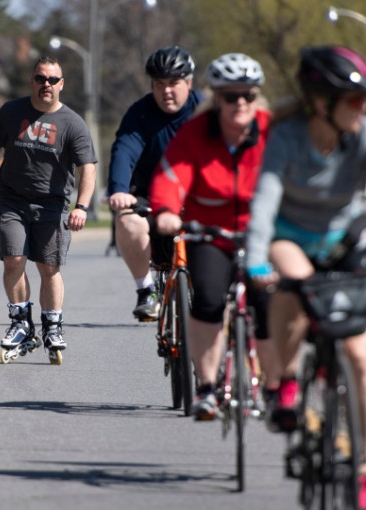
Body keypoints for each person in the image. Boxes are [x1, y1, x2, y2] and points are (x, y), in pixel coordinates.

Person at [245, 46, 366, 509]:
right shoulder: (285, 137)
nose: (363, 108)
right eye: (354, 98)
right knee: (295, 282)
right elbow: (263, 203)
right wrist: (255, 259)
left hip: (347, 246)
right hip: (289, 240)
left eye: (364, 98)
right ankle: (284, 380)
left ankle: (362, 470)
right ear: (321, 101)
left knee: (362, 359)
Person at [149, 53, 277, 420]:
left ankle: (272, 387)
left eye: (247, 96)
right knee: (206, 299)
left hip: (260, 233)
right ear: (215, 99)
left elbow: (294, 176)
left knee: (269, 304)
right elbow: (172, 175)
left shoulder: (271, 132)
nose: (239, 103)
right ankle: (206, 388)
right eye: (230, 96)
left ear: (256, 97)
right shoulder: (196, 133)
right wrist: (169, 211)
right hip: (211, 233)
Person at [0, 56, 96, 357]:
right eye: (41, 78)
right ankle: (20, 322)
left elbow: (87, 168)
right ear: (32, 81)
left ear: (61, 84)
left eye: (52, 80)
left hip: (52, 203)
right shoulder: (11, 112)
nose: (46, 85)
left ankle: (53, 325)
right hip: (12, 199)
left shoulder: (72, 123)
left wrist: (82, 206)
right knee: (13, 260)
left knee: (48, 266)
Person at [107, 46, 202, 321]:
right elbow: (124, 150)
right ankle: (146, 291)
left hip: (196, 199)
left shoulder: (206, 111)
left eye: (173, 83)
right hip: (150, 197)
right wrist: (119, 190)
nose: (166, 91)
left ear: (189, 83)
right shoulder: (140, 113)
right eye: (159, 84)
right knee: (127, 221)